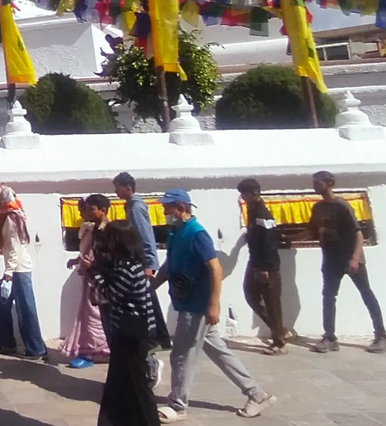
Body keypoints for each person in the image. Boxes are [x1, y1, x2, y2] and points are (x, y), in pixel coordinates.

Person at [153, 189, 277, 422]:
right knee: (220, 353)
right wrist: (152, 287)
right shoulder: (175, 233)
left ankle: (178, 405)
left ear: (180, 208)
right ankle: (256, 394)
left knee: (181, 355)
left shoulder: (197, 234)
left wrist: (213, 305)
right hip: (185, 301)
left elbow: (215, 269)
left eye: (167, 207)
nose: (164, 211)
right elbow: (170, 265)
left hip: (197, 305)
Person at [308, 171, 386, 354]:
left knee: (366, 294)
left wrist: (354, 258)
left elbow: (358, 233)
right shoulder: (318, 208)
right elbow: (312, 231)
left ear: (329, 183)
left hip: (350, 259)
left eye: (317, 182)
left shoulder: (342, 206)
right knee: (328, 296)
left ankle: (382, 336)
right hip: (331, 259)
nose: (314, 186)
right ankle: (329, 337)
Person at [91, 218, 157, 426]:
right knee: (120, 384)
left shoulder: (126, 268)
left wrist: (94, 274)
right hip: (131, 330)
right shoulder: (132, 264)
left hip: (131, 333)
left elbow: (112, 294)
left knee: (137, 386)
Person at [113, 171, 169, 387]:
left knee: (146, 305)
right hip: (137, 264)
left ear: (128, 187)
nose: (115, 192)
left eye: (117, 187)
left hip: (142, 265)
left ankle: (155, 341)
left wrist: (149, 265)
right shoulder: (130, 206)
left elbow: (146, 236)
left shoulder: (136, 207)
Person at [0, 183, 47, 361]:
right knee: (1, 306)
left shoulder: (12, 218)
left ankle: (36, 349)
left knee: (26, 310)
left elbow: (14, 248)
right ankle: (6, 342)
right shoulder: (8, 217)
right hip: (14, 270)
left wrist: (8, 273)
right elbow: (3, 240)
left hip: (18, 270)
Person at [236, 179, 288, 354]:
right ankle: (280, 330)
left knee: (272, 303)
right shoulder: (251, 210)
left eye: (244, 194)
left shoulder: (262, 213)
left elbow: (269, 240)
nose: (243, 197)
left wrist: (265, 267)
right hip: (255, 262)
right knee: (250, 293)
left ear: (254, 193)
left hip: (267, 264)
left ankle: (279, 342)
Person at [60, 193, 110, 369]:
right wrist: (78, 261)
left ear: (102, 210)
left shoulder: (108, 230)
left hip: (101, 280)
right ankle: (91, 350)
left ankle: (97, 351)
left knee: (96, 317)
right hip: (91, 277)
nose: (87, 213)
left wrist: (93, 266)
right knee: (89, 315)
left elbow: (108, 257)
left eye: (91, 209)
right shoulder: (94, 228)